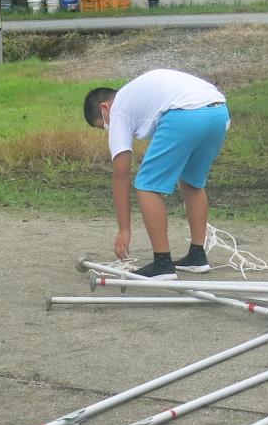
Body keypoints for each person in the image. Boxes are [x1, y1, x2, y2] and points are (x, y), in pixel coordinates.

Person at [82, 68, 230, 279]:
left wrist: (124, 229)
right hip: (219, 111)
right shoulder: (138, 94)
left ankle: (162, 264)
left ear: (104, 108)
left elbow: (121, 174)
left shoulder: (119, 108)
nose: (107, 128)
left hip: (186, 114)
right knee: (192, 182)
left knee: (147, 185)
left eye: (102, 125)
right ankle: (197, 256)